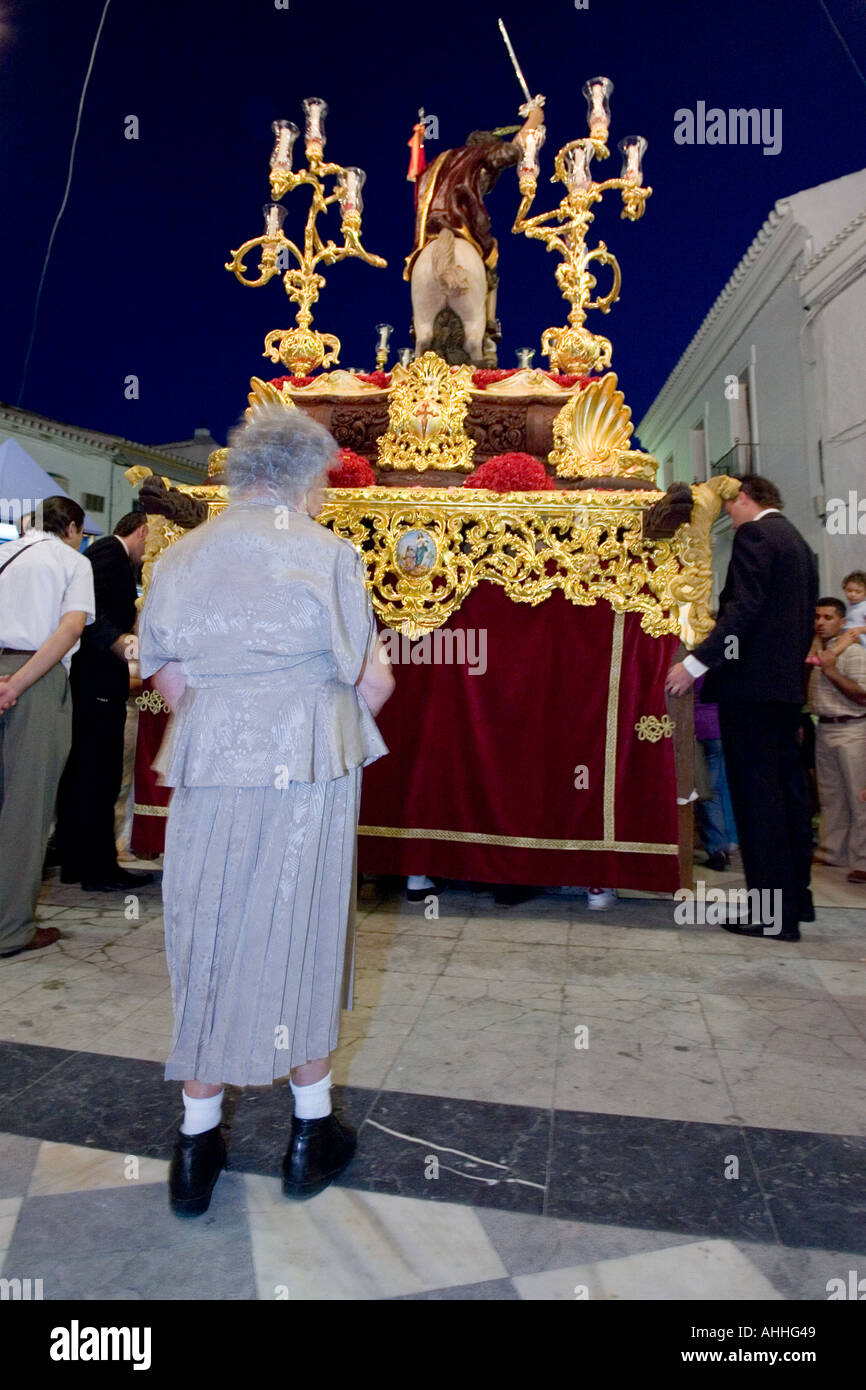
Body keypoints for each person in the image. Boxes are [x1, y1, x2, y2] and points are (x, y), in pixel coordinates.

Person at [139, 405, 394, 1216]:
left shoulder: (179, 555)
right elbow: (372, 682)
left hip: (211, 765)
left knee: (206, 927)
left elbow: (165, 675)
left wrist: (224, 714)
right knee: (301, 926)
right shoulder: (328, 554)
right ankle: (309, 1137)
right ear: (305, 477)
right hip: (304, 765)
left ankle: (194, 1143)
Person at [665, 476, 818, 941]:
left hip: (750, 692)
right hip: (783, 692)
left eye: (729, 509)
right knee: (790, 799)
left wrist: (695, 663)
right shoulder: (797, 542)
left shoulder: (757, 535)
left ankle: (772, 916)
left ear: (745, 499)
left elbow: (743, 610)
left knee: (758, 805)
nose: (728, 519)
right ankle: (795, 902)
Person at [0, 497, 95, 958]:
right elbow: (70, 630)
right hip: (33, 680)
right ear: (72, 527)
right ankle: (10, 929)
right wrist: (16, 682)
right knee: (25, 808)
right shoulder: (71, 560)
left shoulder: (4, 553)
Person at [55, 512, 153, 891]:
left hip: (93, 681)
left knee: (85, 774)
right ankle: (98, 868)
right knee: (100, 775)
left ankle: (77, 860)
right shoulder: (110, 553)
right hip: (96, 681)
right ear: (144, 530)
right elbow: (90, 614)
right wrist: (125, 646)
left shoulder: (107, 554)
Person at [808, 597, 866, 884]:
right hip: (826, 728)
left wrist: (830, 670)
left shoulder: (852, 653)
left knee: (859, 797)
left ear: (842, 622)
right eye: (817, 616)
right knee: (831, 795)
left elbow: (862, 694)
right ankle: (833, 851)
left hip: (852, 729)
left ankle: (863, 859)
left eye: (828, 617)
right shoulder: (823, 650)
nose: (820, 622)